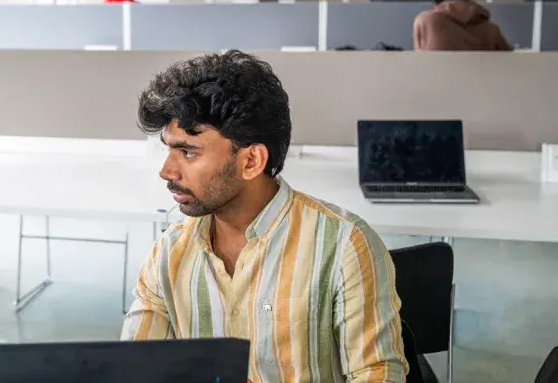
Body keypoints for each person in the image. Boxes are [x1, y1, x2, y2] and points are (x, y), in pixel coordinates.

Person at [121, 50, 408, 382]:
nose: (166, 171)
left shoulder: (344, 246)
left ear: (251, 161)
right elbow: (133, 368)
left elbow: (377, 374)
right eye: (168, 149)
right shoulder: (168, 254)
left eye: (188, 152)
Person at [413, 0, 512, 51]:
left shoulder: (425, 21)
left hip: (436, 80)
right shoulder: (492, 30)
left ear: (436, 2)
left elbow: (420, 61)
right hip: (481, 81)